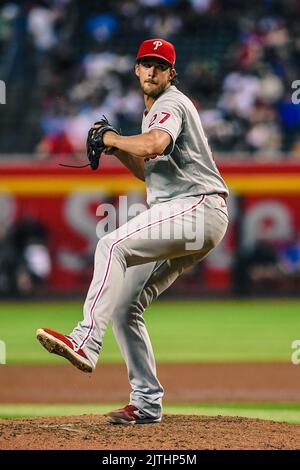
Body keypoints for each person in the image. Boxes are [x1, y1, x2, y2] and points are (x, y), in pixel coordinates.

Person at [36, 38, 229, 425]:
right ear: (136, 70)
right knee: (126, 307)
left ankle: (86, 341)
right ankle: (146, 403)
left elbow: (155, 144)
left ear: (172, 73)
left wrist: (110, 137)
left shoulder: (170, 103)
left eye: (161, 65)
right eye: (146, 63)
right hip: (195, 215)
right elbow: (150, 168)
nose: (153, 70)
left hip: (196, 205)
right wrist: (121, 149)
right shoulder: (153, 113)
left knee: (112, 245)